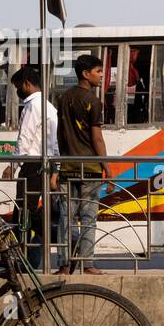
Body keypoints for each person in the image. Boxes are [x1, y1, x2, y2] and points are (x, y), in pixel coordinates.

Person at [2, 67, 59, 270]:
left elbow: (24, 140)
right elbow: (54, 144)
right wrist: (55, 168)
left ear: (27, 83)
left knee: (24, 214)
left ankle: (61, 237)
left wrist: (12, 165)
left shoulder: (33, 106)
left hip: (32, 165)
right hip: (43, 165)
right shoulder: (49, 107)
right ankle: (29, 257)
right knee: (28, 213)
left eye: (18, 87)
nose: (18, 91)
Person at [56, 54, 108, 275]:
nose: (102, 75)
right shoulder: (94, 102)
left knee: (66, 218)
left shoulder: (64, 98)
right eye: (98, 71)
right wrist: (108, 167)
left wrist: (60, 163)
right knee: (88, 217)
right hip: (91, 168)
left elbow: (60, 135)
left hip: (68, 167)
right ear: (86, 74)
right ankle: (88, 264)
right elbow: (97, 138)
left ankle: (65, 265)